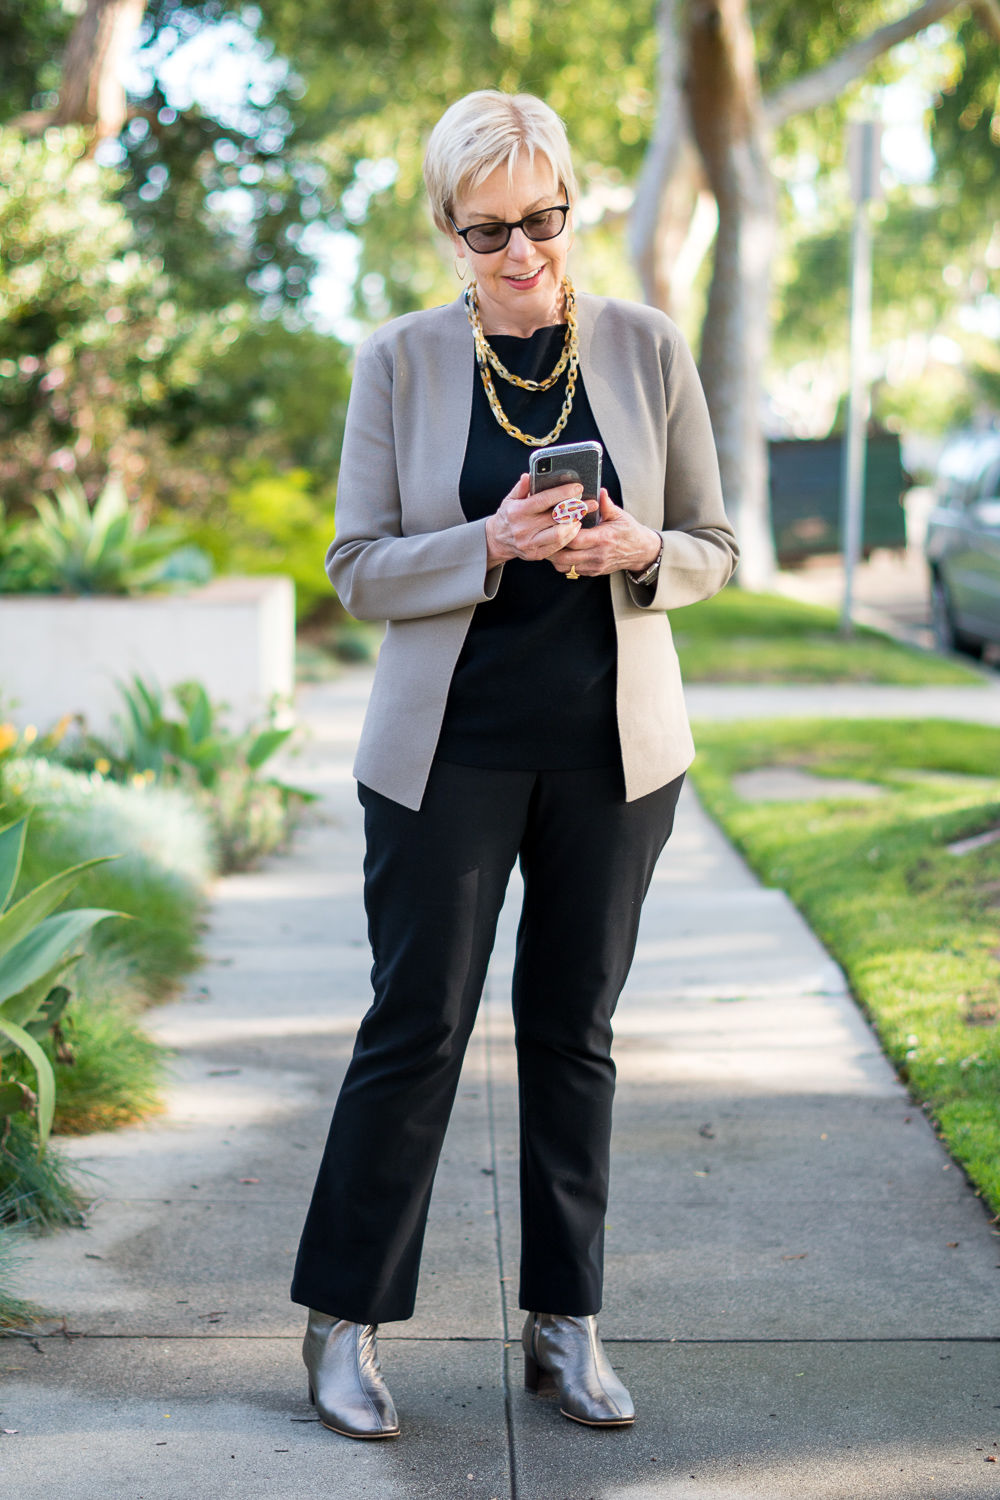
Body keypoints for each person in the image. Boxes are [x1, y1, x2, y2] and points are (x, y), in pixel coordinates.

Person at [291, 89, 738, 1439]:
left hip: (615, 759)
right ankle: (341, 1322)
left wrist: (640, 552)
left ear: (570, 210)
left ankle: (565, 1325)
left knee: (575, 1037)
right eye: (490, 232)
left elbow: (716, 542)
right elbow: (357, 570)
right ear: (449, 231)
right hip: (448, 758)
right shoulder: (400, 363)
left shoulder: (651, 349)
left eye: (542, 220)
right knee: (415, 1029)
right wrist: (484, 544)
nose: (522, 253)